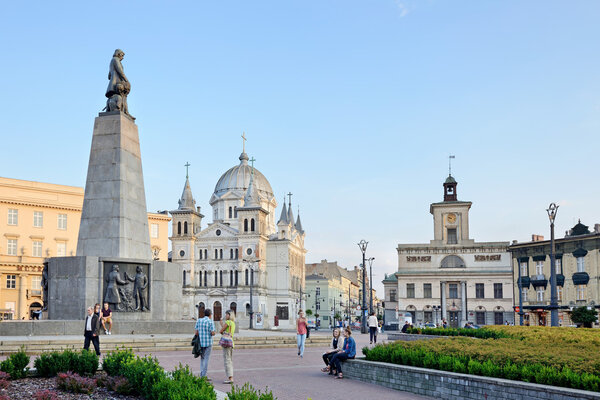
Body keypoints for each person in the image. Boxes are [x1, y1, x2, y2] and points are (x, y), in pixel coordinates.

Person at [195, 308, 216, 379]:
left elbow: (196, 333)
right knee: (206, 359)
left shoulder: (199, 320)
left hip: (201, 343)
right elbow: (212, 333)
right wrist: (212, 333)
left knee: (202, 358)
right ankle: (203, 375)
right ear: (210, 315)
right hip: (208, 342)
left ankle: (202, 374)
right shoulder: (210, 322)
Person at [219, 310, 236, 384]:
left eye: (226, 314)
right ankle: (230, 376)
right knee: (229, 359)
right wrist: (222, 324)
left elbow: (221, 331)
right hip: (231, 342)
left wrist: (221, 324)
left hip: (226, 343)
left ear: (229, 315)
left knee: (227, 360)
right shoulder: (233, 323)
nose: (225, 316)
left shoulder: (228, 322)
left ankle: (230, 377)